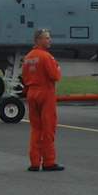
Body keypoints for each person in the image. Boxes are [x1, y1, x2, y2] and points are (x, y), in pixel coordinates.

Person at [20, 29, 62, 172]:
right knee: (48, 127)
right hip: (45, 92)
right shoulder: (46, 57)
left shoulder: (28, 58)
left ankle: (34, 161)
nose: (49, 40)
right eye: (46, 38)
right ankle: (49, 161)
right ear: (39, 40)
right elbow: (55, 76)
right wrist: (58, 68)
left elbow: (24, 78)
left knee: (35, 128)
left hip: (32, 92)